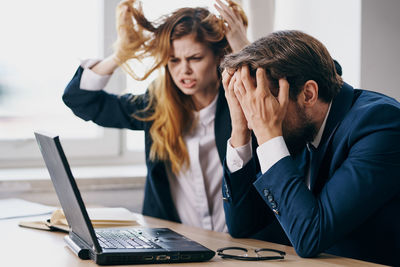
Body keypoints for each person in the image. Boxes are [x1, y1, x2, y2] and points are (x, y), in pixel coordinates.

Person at [62, 0, 249, 232]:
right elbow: (79, 99)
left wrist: (243, 51)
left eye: (195, 58)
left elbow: (282, 99)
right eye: (174, 60)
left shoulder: (243, 103)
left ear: (220, 57)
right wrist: (119, 56)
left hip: (238, 245)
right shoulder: (156, 106)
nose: (184, 71)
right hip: (174, 245)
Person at [220, 30, 400, 265]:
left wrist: (267, 133)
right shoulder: (299, 127)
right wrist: (239, 128)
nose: (258, 117)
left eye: (266, 104)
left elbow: (310, 236)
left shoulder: (381, 125)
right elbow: (242, 226)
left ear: (308, 94)